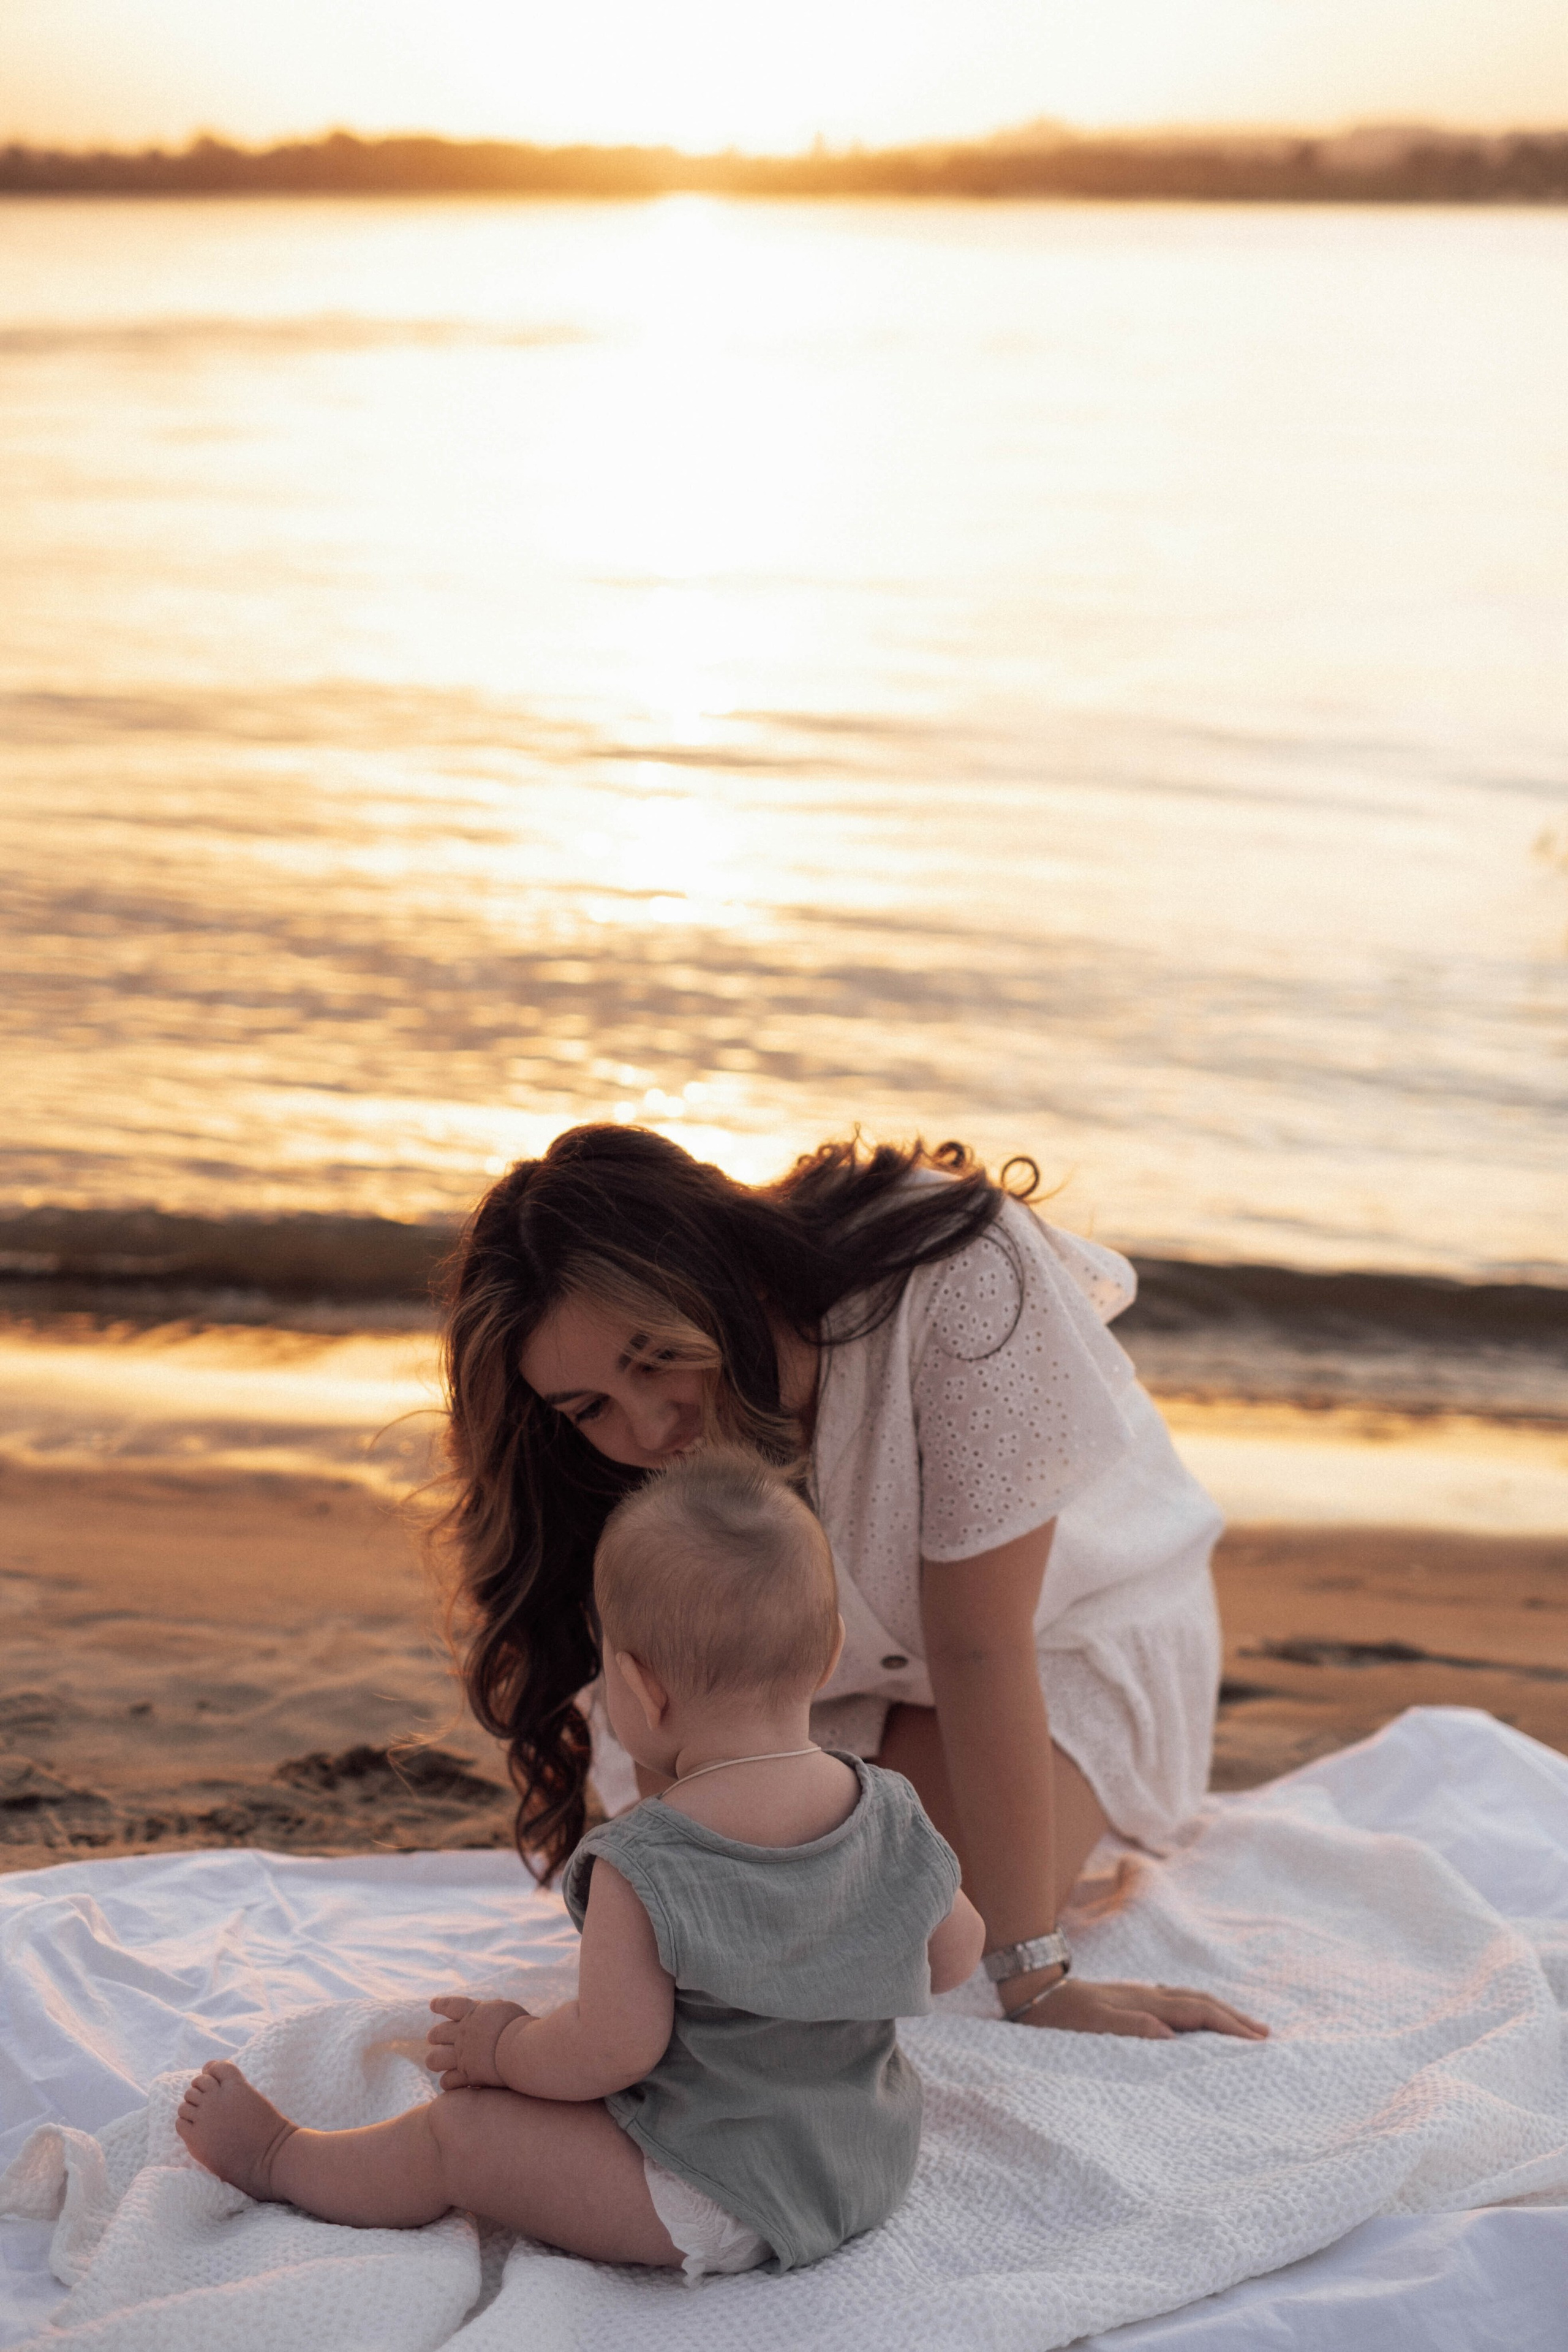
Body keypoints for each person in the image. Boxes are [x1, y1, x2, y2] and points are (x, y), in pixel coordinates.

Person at [437, 1121, 1265, 2045]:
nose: (648, 1428)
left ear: (727, 1275)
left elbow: (979, 1643)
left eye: (656, 1357)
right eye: (590, 1407)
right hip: (812, 1676)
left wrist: (1036, 1978)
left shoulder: (961, 1279)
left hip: (1064, 1634)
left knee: (920, 1920)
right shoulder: (617, 1446)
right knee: (737, 1922)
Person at [177, 1450, 984, 2275]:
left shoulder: (647, 1861)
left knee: (462, 2135)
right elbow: (954, 1953)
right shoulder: (888, 1807)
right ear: (829, 1654)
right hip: (865, 2167)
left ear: (639, 1687)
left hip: (707, 2197)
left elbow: (613, 2051)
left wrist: (507, 2048)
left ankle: (280, 2159)